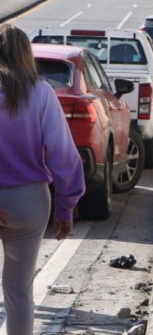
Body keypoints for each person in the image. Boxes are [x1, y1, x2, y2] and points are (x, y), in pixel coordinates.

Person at [0, 24, 84, 335]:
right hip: (27, 200)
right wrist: (66, 205)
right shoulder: (41, 92)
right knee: (18, 289)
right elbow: (62, 153)